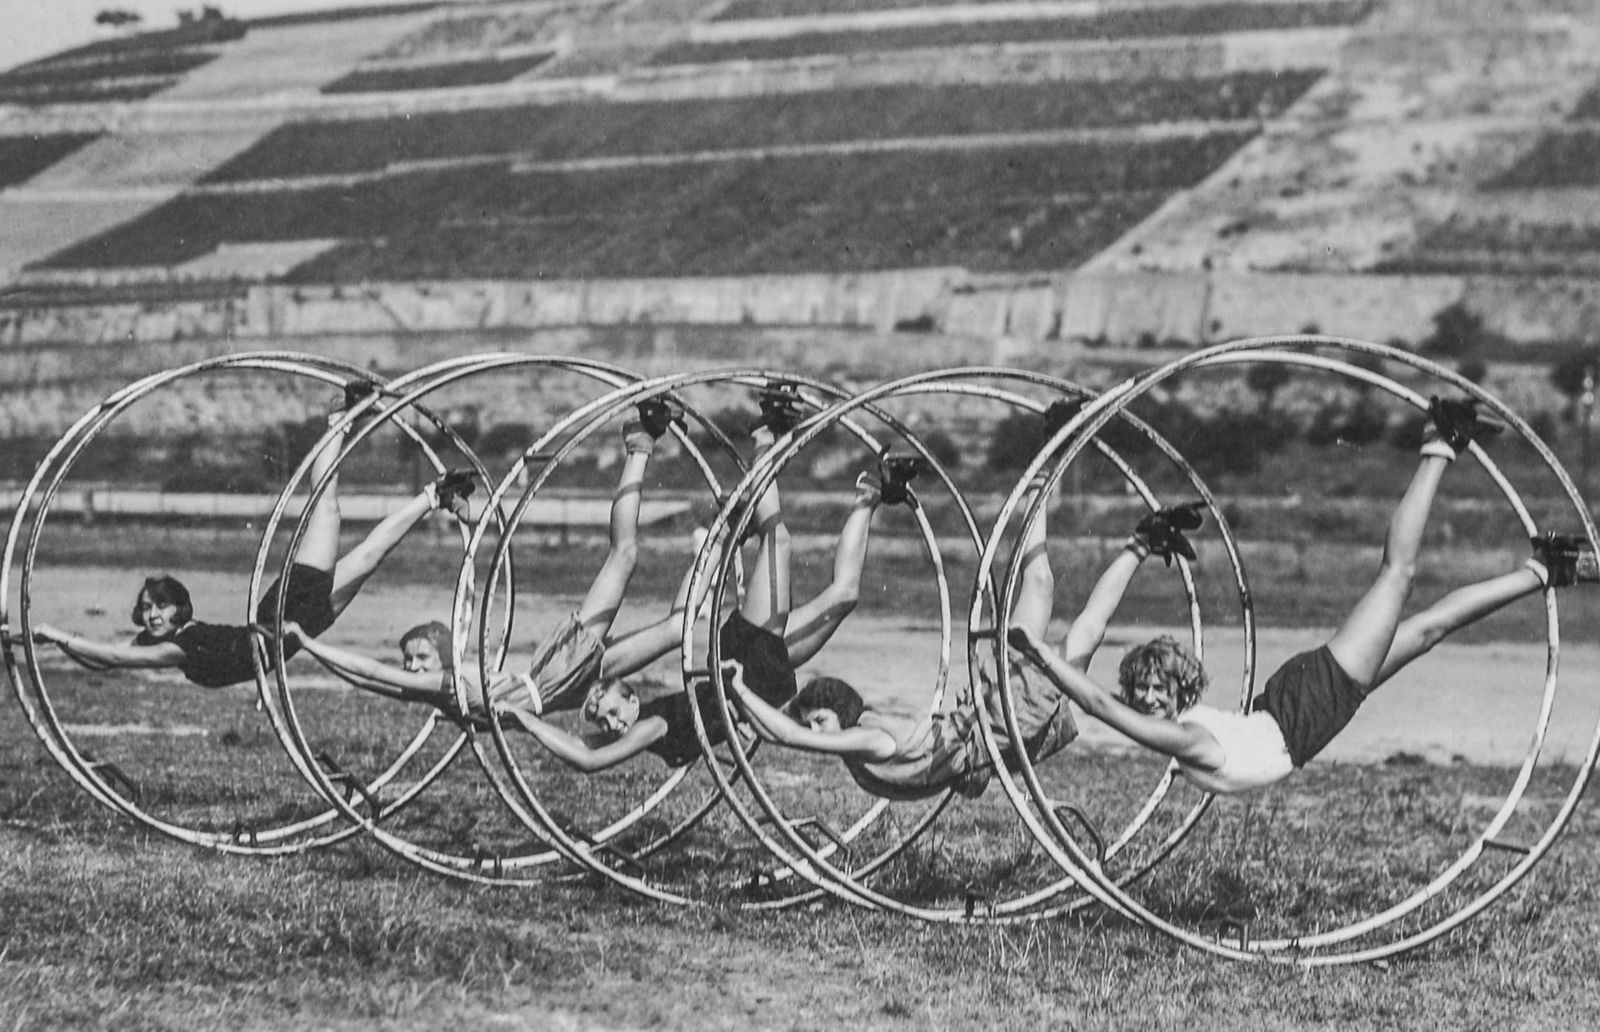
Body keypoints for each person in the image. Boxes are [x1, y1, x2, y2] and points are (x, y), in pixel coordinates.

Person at [1008, 396, 1597, 795]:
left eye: (1159, 687)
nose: (1150, 698)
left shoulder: (1181, 737)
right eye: (1143, 691)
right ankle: (1544, 569)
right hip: (1294, 710)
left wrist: (1043, 657)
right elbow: (1107, 700)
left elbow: (1099, 705)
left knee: (1397, 576)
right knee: (1423, 632)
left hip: (1305, 709)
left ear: (1181, 690)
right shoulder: (1181, 732)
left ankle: (1439, 444)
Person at [495, 389, 914, 772]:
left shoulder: (651, 725)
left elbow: (589, 757)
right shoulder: (641, 725)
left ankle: (765, 438)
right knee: (844, 596)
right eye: (605, 722)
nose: (613, 725)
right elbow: (583, 749)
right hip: (764, 676)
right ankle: (871, 493)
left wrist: (525, 720)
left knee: (778, 541)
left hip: (747, 662)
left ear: (632, 697)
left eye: (612, 713)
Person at [716, 416, 1124, 800]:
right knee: (1063, 609)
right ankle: (1091, 503)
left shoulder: (867, 740)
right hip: (994, 726)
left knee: (1051, 597)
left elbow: (788, 734)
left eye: (820, 722)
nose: (817, 732)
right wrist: (740, 695)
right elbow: (785, 730)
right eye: (815, 723)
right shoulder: (854, 736)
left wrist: (738, 690)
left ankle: (1061, 474)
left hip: (998, 720)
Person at [31, 383, 475, 689]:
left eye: (160, 606)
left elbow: (116, 658)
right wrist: (55, 642)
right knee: (360, 547)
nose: (152, 615)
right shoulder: (159, 642)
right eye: (147, 608)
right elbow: (105, 659)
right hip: (285, 628)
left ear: (179, 608)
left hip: (284, 618)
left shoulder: (176, 648)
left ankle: (346, 424)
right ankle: (427, 490)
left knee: (332, 515)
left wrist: (62, 637)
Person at [277, 399, 696, 722]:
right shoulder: (435, 690)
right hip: (558, 688)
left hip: (558, 675)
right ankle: (713, 539)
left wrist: (310, 644)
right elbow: (368, 679)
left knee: (624, 556)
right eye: (410, 660)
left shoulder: (449, 683)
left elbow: (373, 671)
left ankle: (639, 445)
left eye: (422, 658)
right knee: (676, 628)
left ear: (447, 655)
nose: (412, 667)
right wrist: (314, 651)